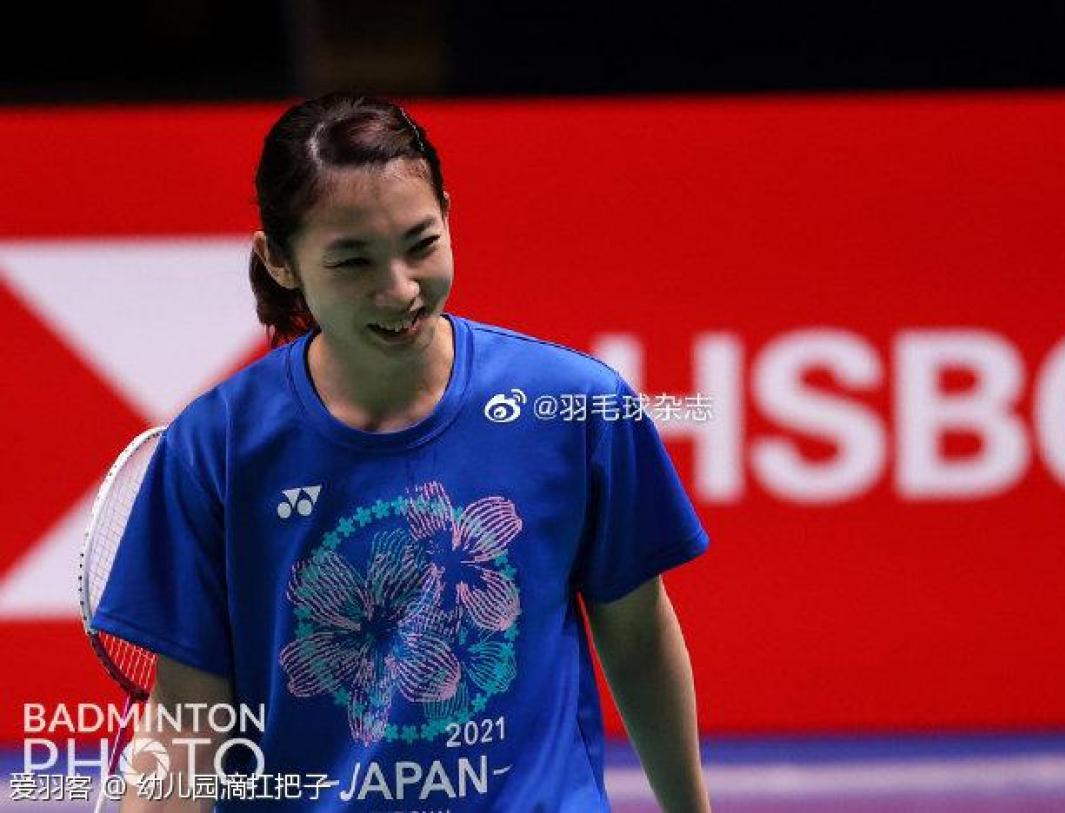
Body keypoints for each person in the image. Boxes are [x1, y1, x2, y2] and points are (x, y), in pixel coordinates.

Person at [93, 92, 711, 812]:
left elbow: (637, 637)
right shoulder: (219, 446)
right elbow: (186, 720)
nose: (400, 290)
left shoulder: (576, 407)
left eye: (421, 244)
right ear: (280, 261)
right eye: (353, 261)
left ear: (448, 213)